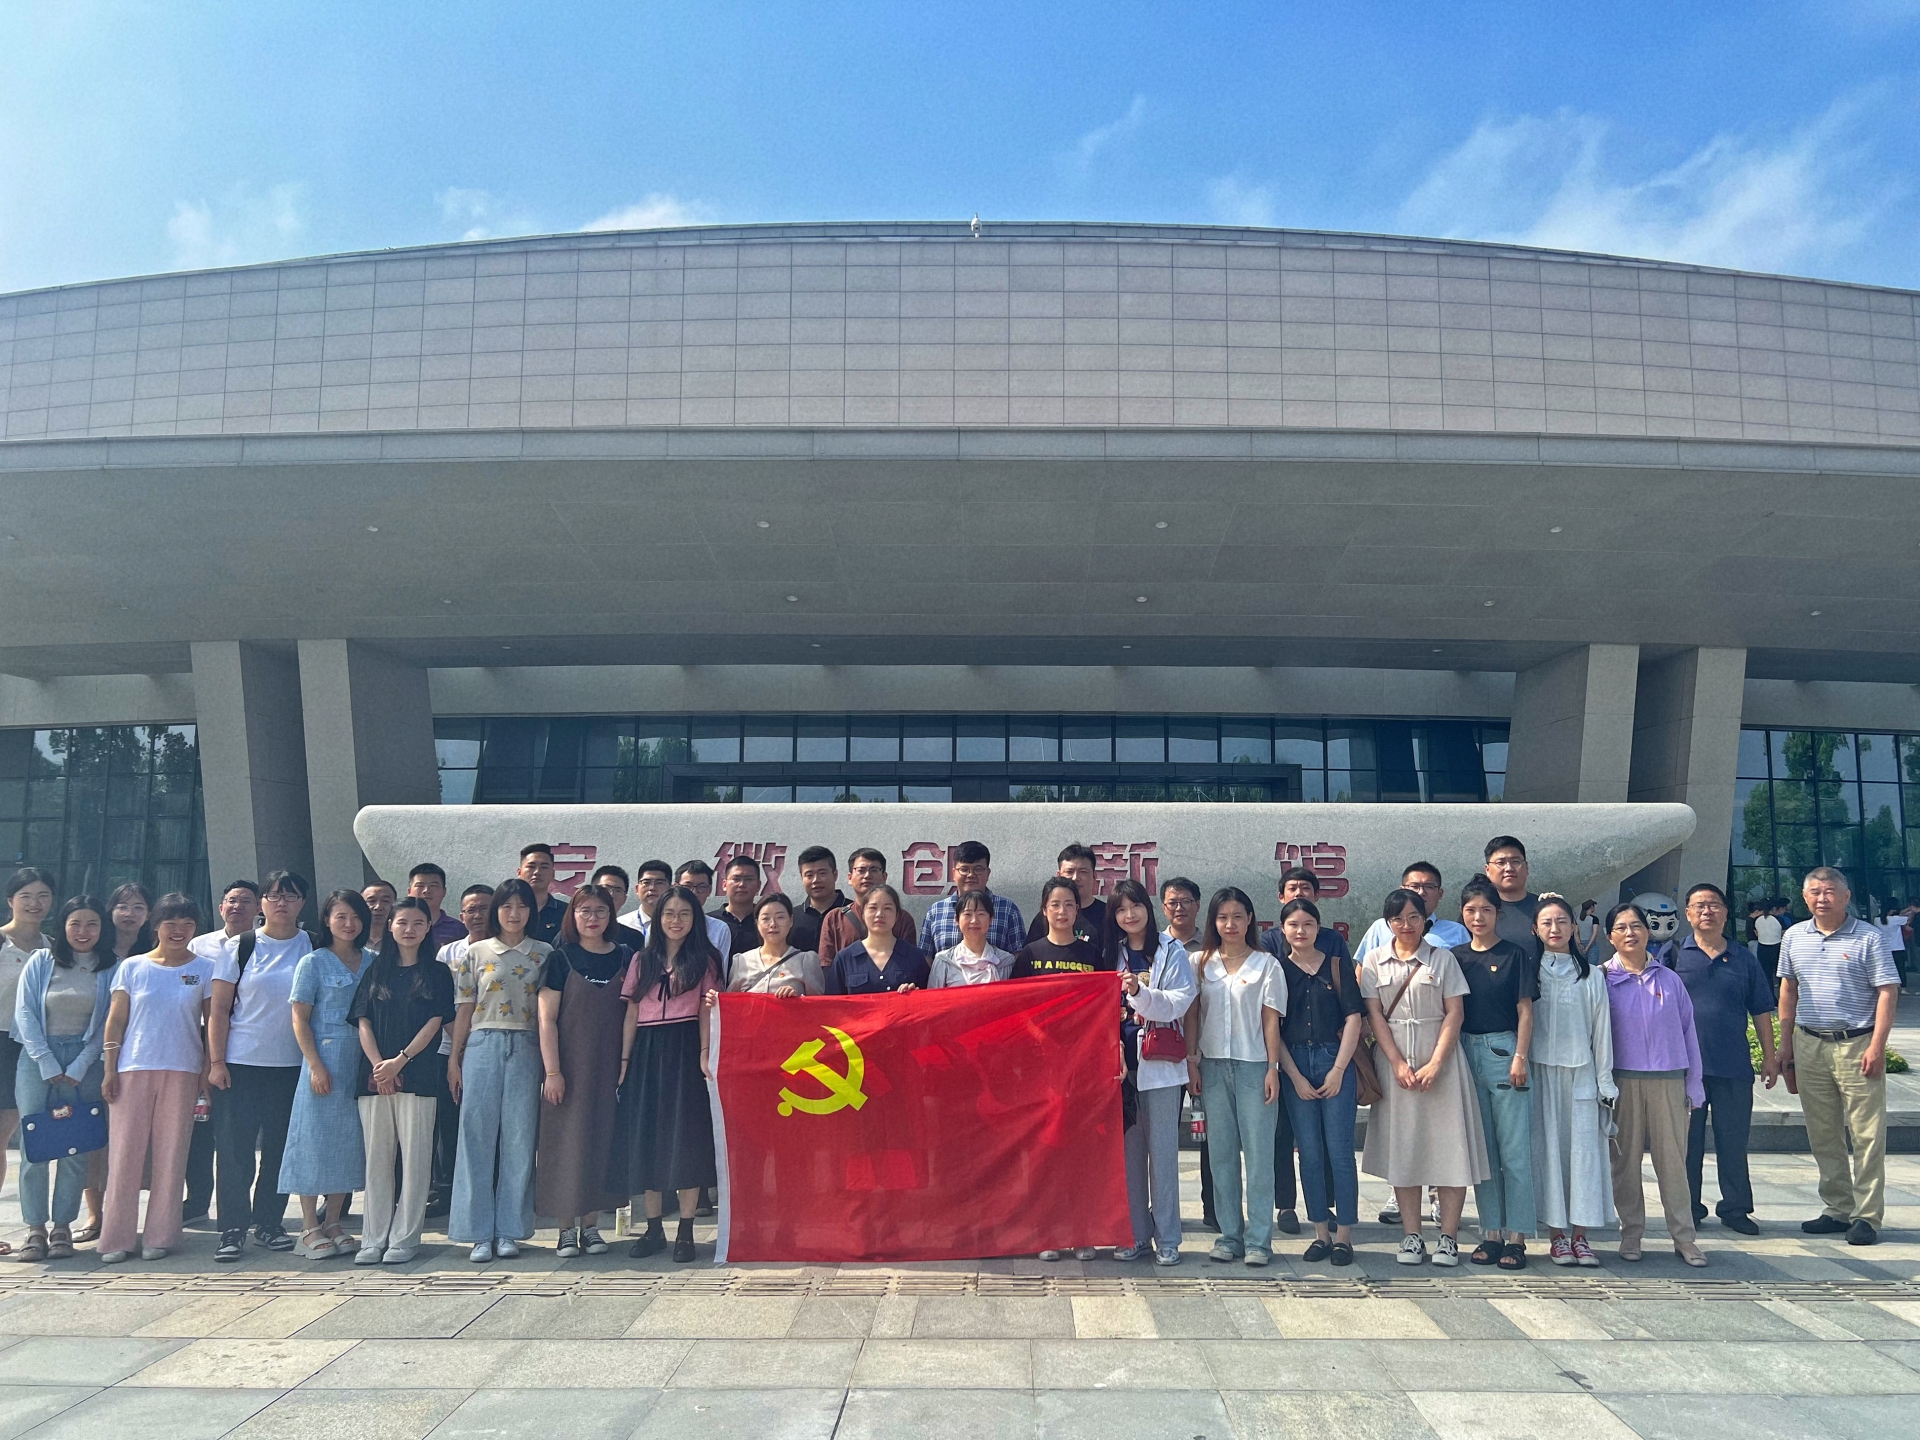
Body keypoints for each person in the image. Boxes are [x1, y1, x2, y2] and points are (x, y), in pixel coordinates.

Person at [1361, 888, 1486, 1268]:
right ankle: (1412, 1235)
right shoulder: (1374, 961)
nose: (1406, 925)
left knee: (1450, 1150)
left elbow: (1455, 1013)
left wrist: (1436, 1064)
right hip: (1395, 1065)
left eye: (1413, 917)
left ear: (1425, 920)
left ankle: (1448, 1238)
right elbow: (1374, 1015)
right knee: (1405, 1149)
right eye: (1398, 919)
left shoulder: (1442, 959)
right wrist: (1397, 1063)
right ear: (1388, 923)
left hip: (1443, 1066)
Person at [1779, 865, 1899, 1247]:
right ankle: (1837, 1207)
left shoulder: (1869, 937)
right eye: (1814, 891)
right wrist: (1785, 1044)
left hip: (1856, 1044)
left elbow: (1887, 991)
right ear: (1804, 897)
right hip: (1809, 1042)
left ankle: (1866, 1216)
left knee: (1866, 1133)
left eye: (1830, 891)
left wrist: (1877, 1046)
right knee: (1823, 1132)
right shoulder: (1793, 936)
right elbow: (1788, 989)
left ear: (1846, 897)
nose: (1822, 898)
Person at [99, 892, 217, 1263]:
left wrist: (208, 1069)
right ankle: (116, 1238)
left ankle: (161, 1235)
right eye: (171, 923)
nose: (179, 930)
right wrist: (109, 1067)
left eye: (187, 924)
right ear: (156, 926)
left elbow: (213, 1024)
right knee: (124, 1155)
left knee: (172, 1155)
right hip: (132, 1068)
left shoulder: (205, 969)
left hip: (183, 1069)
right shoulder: (133, 967)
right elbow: (116, 1019)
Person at [207, 869, 311, 1261]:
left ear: (303, 903)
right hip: (241, 1063)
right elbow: (219, 1011)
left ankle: (269, 1223)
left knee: (281, 1149)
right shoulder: (241, 946)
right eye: (274, 895)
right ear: (262, 903)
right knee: (234, 1150)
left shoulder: (313, 945)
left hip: (293, 1066)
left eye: (291, 895)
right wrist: (216, 1061)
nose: (282, 902)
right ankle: (232, 1228)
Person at [1663, 883, 1777, 1238]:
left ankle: (1736, 1208)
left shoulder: (1744, 959)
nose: (1707, 911)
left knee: (1733, 1141)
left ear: (1726, 913)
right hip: (1684, 1069)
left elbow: (1761, 1011)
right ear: (1687, 913)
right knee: (1687, 1145)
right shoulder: (1673, 955)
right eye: (1699, 905)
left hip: (1732, 1065)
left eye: (1714, 905)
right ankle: (1689, 1208)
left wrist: (1770, 1058)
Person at [614, 884, 720, 1263]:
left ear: (695, 919)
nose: (676, 920)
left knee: (685, 1139)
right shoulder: (642, 960)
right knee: (648, 1138)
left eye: (684, 914)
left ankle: (686, 1231)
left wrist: (705, 1054)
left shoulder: (706, 960)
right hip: (646, 1050)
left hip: (685, 1046)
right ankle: (654, 1228)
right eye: (670, 913)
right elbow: (631, 1011)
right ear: (658, 919)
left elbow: (708, 1011)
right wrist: (624, 1061)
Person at [448, 878, 550, 1262]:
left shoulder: (544, 953)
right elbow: (463, 1008)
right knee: (475, 1138)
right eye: (506, 906)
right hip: (482, 1044)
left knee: (520, 1140)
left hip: (527, 1046)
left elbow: (549, 1013)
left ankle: (509, 1230)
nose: (514, 913)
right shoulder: (475, 952)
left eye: (521, 906)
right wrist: (454, 1059)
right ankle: (477, 1233)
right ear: (496, 911)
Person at [349, 896, 452, 1264]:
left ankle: (405, 1238)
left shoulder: (437, 972)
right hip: (374, 1077)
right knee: (377, 1161)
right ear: (390, 926)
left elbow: (436, 1021)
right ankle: (373, 1238)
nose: (409, 929)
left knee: (415, 1159)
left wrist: (400, 1061)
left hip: (419, 1074)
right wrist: (380, 1065)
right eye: (402, 922)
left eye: (418, 923)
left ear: (428, 928)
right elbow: (362, 1020)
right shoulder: (375, 970)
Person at [1183, 886, 1283, 1266]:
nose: (1230, 924)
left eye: (1238, 916)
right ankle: (1229, 1236)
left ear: (1250, 919)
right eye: (1223, 917)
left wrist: (1272, 1068)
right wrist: (1192, 1062)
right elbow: (1192, 1016)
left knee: (1259, 1156)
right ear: (1213, 921)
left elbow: (1270, 1021)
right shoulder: (1200, 962)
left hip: (1254, 1067)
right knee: (1221, 1155)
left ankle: (1259, 1240)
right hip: (1212, 1066)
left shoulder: (1266, 964)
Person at [1602, 901, 1706, 1265]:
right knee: (1624, 1163)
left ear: (1648, 932)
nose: (1630, 933)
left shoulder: (1670, 979)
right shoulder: (1602, 980)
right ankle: (1631, 1234)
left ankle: (1684, 1238)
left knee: (1673, 1163)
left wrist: (1694, 1084)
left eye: (1636, 926)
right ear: (1610, 936)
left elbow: (1689, 1032)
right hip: (1622, 1083)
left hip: (1668, 1081)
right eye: (1621, 927)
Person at [12, 895, 113, 1262]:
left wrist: (80, 1065)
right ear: (63, 926)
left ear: (102, 929)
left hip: (85, 1061)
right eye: (75, 924)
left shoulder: (111, 968)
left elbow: (108, 1023)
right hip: (37, 1058)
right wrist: (46, 1061)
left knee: (75, 1146)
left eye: (91, 924)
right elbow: (25, 1012)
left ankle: (62, 1228)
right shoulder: (42, 960)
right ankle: (35, 1229)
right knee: (34, 1146)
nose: (83, 931)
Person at [534, 885, 630, 1260]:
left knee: (602, 1140)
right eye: (584, 911)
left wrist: (625, 1063)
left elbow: (633, 1013)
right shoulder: (559, 959)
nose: (593, 918)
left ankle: (591, 1225)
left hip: (609, 1066)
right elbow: (546, 1019)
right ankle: (565, 1230)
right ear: (572, 915)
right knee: (565, 1143)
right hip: (569, 1066)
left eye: (600, 911)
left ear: (611, 915)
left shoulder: (625, 956)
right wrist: (552, 1071)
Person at [279, 889, 373, 1259]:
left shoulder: (373, 961)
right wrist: (316, 1065)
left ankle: (333, 1221)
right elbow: (299, 1019)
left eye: (356, 916)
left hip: (360, 1061)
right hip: (324, 1059)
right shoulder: (313, 962)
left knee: (349, 1142)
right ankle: (308, 1226)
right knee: (313, 1140)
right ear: (327, 920)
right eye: (341, 916)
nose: (349, 923)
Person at [1106, 879, 1196, 1266]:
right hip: (1120, 1069)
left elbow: (1179, 1001)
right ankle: (1135, 1235)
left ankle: (1168, 1238)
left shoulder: (1171, 950)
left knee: (1162, 1156)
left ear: (1148, 907)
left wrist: (1138, 994)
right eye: (1121, 909)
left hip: (1160, 1067)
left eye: (1136, 906)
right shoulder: (1111, 952)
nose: (1130, 915)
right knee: (1128, 1158)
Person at [1271, 897, 1363, 1267]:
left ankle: (1344, 1237)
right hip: (1295, 1063)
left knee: (1339, 1152)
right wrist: (1294, 1077)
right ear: (1283, 930)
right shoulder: (1277, 971)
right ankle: (1320, 1233)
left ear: (1318, 928)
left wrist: (1338, 1070)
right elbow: (1273, 1028)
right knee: (1308, 1153)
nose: (1301, 930)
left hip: (1333, 1058)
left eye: (1308, 924)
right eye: (1293, 924)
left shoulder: (1336, 965)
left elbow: (1354, 1018)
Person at [1452, 876, 1537, 1269]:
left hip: (1504, 1052)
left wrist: (1520, 1056)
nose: (1478, 917)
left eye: (1486, 910)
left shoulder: (1514, 955)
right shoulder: (1455, 957)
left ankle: (1517, 1236)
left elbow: (1525, 1011)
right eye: (1471, 910)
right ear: (1462, 914)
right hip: (1465, 1052)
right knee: (1483, 1151)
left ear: (1498, 914)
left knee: (1514, 1151)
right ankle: (1491, 1232)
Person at [1262, 866, 1350, 1234]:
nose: (1299, 892)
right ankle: (1287, 1205)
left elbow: (1349, 1000)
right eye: (1292, 887)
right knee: (1285, 1135)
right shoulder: (1269, 943)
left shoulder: (1333, 943)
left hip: (1327, 1052)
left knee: (1330, 1144)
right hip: (1285, 1053)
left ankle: (1328, 1210)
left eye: (1306, 887)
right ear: (1280, 897)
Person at [1530, 893, 1614, 1266]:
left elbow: (1602, 1033)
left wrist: (1605, 1082)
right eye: (1547, 922)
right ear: (1535, 929)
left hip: (1582, 1075)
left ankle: (1581, 1236)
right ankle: (1556, 1236)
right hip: (1540, 1075)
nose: (1555, 928)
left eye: (1562, 921)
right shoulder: (1529, 972)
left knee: (1583, 1155)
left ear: (1573, 927)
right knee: (1549, 1153)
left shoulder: (1592, 976)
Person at [185, 879, 262, 1222]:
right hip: (201, 1039)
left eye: (246, 901)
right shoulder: (199, 945)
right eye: (232, 900)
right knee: (200, 1124)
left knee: (237, 1132)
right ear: (220, 907)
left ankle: (245, 1210)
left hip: (246, 1043)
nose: (237, 906)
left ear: (258, 908)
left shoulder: (266, 944)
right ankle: (197, 1201)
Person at [426, 881, 496, 1219]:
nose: (478, 915)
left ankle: (490, 1187)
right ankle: (447, 1191)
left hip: (491, 1048)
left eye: (485, 908)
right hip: (449, 1049)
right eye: (472, 910)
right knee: (450, 1124)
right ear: (461, 915)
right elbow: (442, 1003)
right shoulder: (447, 953)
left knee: (490, 1123)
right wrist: (460, 1045)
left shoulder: (506, 949)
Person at [0, 867, 57, 1252]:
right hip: (0, 1040)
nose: (35, 904)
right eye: (26, 896)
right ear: (10, 901)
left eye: (43, 896)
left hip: (31, 1046)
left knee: (11, 1137)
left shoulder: (54, 947)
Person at [1158, 876, 1216, 1232]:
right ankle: (1163, 1212)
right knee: (1162, 1136)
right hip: (1161, 1053)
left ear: (1197, 904)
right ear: (1163, 908)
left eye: (1185, 901)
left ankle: (1214, 1209)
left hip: (1201, 1052)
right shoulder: (1156, 947)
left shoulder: (1212, 946)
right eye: (1172, 902)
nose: (1179, 908)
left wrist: (1194, 1055)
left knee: (1209, 1133)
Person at [920, 841, 1027, 956]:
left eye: (978, 869)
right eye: (964, 869)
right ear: (954, 873)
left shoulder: (1008, 910)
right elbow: (925, 958)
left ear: (988, 873)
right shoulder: (935, 911)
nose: (971, 875)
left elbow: (1019, 956)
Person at [818, 849, 919, 964]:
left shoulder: (902, 918)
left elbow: (909, 963)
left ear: (884, 877)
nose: (867, 876)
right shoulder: (835, 918)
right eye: (861, 870)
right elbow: (827, 964)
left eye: (874, 870)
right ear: (850, 878)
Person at [829, 886, 931, 994]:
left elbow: (929, 998)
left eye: (887, 908)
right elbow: (832, 1002)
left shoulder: (914, 956)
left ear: (897, 915)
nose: (879, 914)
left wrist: (914, 994)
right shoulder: (845, 958)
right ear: (863, 914)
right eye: (873, 908)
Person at [1352, 862, 1471, 955]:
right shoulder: (1381, 927)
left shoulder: (1457, 931)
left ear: (1440, 894)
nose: (1421, 892)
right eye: (1414, 886)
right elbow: (1363, 970)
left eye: (1429, 886)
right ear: (1402, 890)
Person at [726, 892, 825, 995]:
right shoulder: (741, 961)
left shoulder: (806, 960)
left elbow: (818, 1003)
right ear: (757, 923)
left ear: (791, 921)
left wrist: (798, 999)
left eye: (780, 917)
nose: (773, 924)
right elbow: (730, 1001)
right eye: (765, 918)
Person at [634, 860, 735, 960]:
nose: (694, 892)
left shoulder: (719, 929)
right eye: (687, 886)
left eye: (702, 887)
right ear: (675, 887)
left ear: (709, 890)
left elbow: (721, 967)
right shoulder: (657, 927)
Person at [1013, 877, 1106, 980]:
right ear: (1044, 910)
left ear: (1076, 909)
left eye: (1069, 905)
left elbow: (1104, 987)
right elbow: (1016, 988)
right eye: (1055, 905)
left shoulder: (1092, 953)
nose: (1062, 911)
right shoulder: (1030, 954)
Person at [928, 889, 1017, 988]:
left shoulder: (1005, 961)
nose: (974, 920)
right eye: (967, 914)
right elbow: (933, 997)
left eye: (981, 914)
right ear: (957, 919)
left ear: (991, 919)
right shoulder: (944, 961)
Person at [1024, 844, 1107, 944]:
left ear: (1094, 876)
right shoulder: (1048, 916)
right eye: (1069, 871)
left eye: (1083, 872)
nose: (1075, 878)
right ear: (1058, 876)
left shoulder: (1108, 914)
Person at [1482, 837, 1541, 959]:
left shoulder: (1544, 908)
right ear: (1487, 870)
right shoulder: (1477, 911)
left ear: (1527, 867)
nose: (1509, 868)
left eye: (1515, 861)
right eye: (1500, 863)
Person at [789, 846, 848, 956]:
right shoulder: (792, 917)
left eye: (822, 873)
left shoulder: (854, 912)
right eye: (809, 875)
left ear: (835, 875)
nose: (816, 880)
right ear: (802, 878)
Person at [407, 863, 469, 950]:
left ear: (444, 891)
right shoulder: (400, 926)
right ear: (409, 892)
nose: (426, 891)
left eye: (433, 886)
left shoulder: (458, 929)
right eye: (420, 885)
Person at [518, 844, 569, 944]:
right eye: (531, 866)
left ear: (553, 874)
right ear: (519, 872)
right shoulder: (508, 910)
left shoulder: (566, 912)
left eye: (544, 867)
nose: (537, 872)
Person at [713, 854, 762, 958]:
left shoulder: (766, 921)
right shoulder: (709, 921)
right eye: (736, 879)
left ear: (758, 885)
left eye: (749, 879)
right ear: (724, 885)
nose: (742, 884)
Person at [589, 865, 648, 949]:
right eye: (606, 888)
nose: (611, 895)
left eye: (618, 890)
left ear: (624, 899)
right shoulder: (573, 933)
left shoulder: (634, 938)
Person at [106, 882, 155, 961]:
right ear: (111, 911)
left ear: (148, 915)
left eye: (138, 908)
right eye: (123, 907)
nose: (129, 914)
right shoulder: (96, 949)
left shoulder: (154, 953)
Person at [1753, 898, 1785, 982]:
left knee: (1766, 973)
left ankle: (1769, 990)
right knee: (1780, 972)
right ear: (1774, 909)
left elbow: (1756, 933)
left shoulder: (1757, 920)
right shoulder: (1779, 919)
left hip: (1762, 947)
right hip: (1776, 947)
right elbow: (1784, 933)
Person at [361, 879, 397, 949]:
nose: (378, 907)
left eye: (385, 901)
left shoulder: (401, 940)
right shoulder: (352, 939)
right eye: (372, 901)